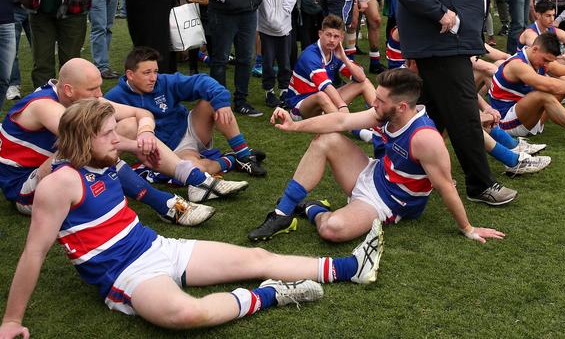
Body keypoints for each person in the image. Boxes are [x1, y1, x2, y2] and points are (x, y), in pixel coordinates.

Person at [0, 99, 384, 336]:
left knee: (255, 259)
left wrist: (152, 148)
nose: (118, 141)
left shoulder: (106, 160)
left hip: (157, 246)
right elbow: (33, 254)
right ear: (85, 141)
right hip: (127, 274)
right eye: (108, 135)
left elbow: (143, 166)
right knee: (186, 313)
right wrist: (11, 321)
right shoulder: (60, 183)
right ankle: (271, 295)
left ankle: (351, 267)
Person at [249, 69, 506, 242]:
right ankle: (282, 215)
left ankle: (312, 209)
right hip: (374, 173)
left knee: (331, 229)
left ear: (402, 107)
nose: (373, 103)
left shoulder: (426, 138)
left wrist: (468, 228)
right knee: (326, 139)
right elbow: (340, 120)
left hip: (389, 202)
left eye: (381, 100)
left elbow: (446, 187)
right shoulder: (385, 112)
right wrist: (294, 126)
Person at [392, 0, 517, 206]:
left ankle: (399, 171)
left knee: (431, 114)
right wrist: (441, 13)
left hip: (453, 41)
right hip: (442, 40)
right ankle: (480, 185)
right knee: (463, 113)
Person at [0, 58, 229, 225]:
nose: (100, 94)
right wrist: (136, 145)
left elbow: (141, 113)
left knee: (129, 125)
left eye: (100, 85)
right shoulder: (44, 106)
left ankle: (196, 180)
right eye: (93, 89)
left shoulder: (80, 98)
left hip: (55, 175)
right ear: (68, 90)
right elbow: (87, 141)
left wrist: (146, 134)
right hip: (27, 190)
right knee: (84, 148)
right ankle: (163, 203)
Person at [105, 46, 267, 177]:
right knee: (195, 170)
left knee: (212, 101)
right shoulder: (114, 97)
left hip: (191, 128)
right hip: (171, 150)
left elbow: (202, 81)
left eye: (155, 71)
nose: (153, 78)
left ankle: (245, 155)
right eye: (147, 73)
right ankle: (231, 160)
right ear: (130, 75)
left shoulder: (165, 81)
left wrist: (222, 102)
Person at [286, 15, 375, 120]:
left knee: (364, 83)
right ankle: (357, 130)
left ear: (341, 38)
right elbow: (326, 87)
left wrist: (344, 58)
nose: (332, 40)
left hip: (325, 102)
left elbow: (361, 78)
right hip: (300, 107)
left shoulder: (335, 52)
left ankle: (381, 119)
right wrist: (342, 106)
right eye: (328, 35)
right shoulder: (310, 55)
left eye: (336, 36)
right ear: (320, 34)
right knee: (321, 95)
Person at [257, 0, 297, 108]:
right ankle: (269, 91)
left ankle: (284, 90)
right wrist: (272, 19)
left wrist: (281, 19)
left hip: (285, 26)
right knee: (268, 61)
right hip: (266, 27)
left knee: (285, 61)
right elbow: (263, 0)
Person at [519, 0, 565, 76]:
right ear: (538, 15)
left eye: (553, 15)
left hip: (546, 65)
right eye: (548, 16)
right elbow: (543, 54)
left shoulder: (551, 29)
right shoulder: (530, 33)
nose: (552, 19)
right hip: (530, 69)